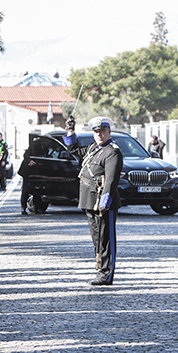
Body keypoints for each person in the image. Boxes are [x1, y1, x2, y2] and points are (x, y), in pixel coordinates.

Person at [63, 115, 123, 286]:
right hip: (89, 200)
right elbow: (73, 150)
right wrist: (70, 131)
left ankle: (106, 274)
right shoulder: (93, 148)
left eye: (102, 131)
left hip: (103, 203)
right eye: (96, 131)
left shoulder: (112, 152)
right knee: (97, 238)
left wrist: (105, 202)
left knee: (106, 239)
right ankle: (100, 269)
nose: (99, 134)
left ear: (109, 131)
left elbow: (111, 181)